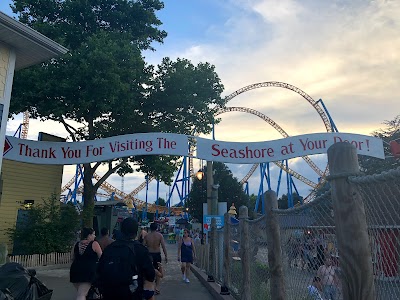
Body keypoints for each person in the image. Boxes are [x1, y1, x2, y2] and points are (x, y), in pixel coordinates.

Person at [97, 217, 155, 300]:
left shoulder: (110, 248)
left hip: (109, 293)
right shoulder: (140, 249)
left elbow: (99, 270)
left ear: (121, 230)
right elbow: (150, 275)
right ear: (136, 231)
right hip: (131, 294)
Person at [70, 227, 102, 300]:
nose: (95, 236)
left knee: (81, 293)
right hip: (88, 271)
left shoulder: (76, 244)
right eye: (93, 234)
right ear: (89, 235)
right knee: (81, 295)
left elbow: (72, 257)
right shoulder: (94, 244)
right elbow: (101, 257)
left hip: (75, 270)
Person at [143, 222, 168, 295]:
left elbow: (142, 246)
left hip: (149, 255)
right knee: (158, 270)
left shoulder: (147, 236)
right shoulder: (160, 235)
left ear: (150, 228)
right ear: (157, 228)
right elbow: (163, 246)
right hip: (157, 254)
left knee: (149, 270)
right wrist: (166, 256)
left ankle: (150, 286)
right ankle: (157, 287)